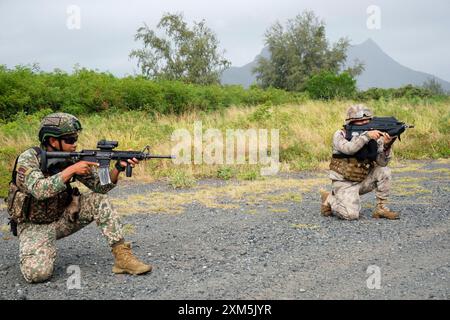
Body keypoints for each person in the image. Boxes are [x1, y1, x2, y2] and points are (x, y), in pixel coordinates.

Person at [10, 112, 152, 283]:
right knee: (37, 275)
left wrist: (118, 168)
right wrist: (72, 170)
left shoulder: (72, 158)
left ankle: (122, 258)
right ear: (53, 141)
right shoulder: (29, 159)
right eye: (70, 140)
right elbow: (39, 189)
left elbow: (101, 187)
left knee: (98, 200)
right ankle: (41, 248)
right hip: (34, 226)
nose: (75, 144)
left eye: (76, 139)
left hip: (61, 219)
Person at [320, 104, 399, 220]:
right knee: (350, 215)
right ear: (350, 122)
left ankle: (381, 208)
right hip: (344, 183)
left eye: (366, 121)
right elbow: (349, 149)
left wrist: (387, 145)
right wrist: (366, 136)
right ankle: (330, 199)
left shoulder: (373, 137)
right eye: (359, 121)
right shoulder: (341, 135)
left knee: (384, 171)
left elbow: (382, 162)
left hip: (362, 180)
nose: (363, 123)